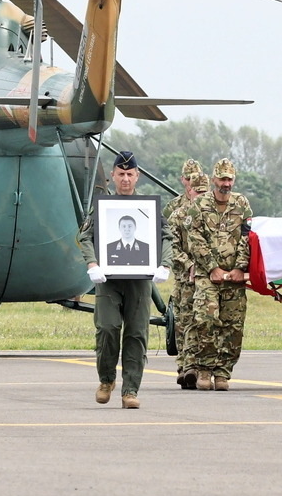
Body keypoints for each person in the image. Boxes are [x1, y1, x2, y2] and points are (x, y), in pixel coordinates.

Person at [80, 151, 170, 408]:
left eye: (130, 174)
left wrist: (165, 264)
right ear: (113, 176)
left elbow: (167, 236)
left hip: (139, 282)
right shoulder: (102, 208)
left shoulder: (148, 210)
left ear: (137, 176)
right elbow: (85, 236)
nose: (126, 179)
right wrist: (92, 263)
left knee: (137, 333)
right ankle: (106, 380)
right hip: (109, 280)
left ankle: (130, 390)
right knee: (107, 328)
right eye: (121, 174)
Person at [184, 158, 252, 390]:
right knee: (206, 319)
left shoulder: (242, 204)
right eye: (222, 179)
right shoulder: (199, 205)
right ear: (214, 179)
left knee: (234, 325)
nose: (226, 183)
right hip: (207, 275)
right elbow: (195, 239)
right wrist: (213, 267)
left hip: (235, 276)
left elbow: (248, 237)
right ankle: (204, 368)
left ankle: (223, 372)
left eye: (230, 179)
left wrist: (239, 268)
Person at [163, 159, 205, 388]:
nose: (191, 182)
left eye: (195, 177)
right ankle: (184, 366)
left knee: (202, 321)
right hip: (183, 276)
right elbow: (169, 240)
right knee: (183, 321)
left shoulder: (208, 208)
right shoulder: (175, 209)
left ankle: (198, 366)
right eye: (188, 178)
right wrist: (187, 264)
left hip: (205, 276)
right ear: (183, 180)